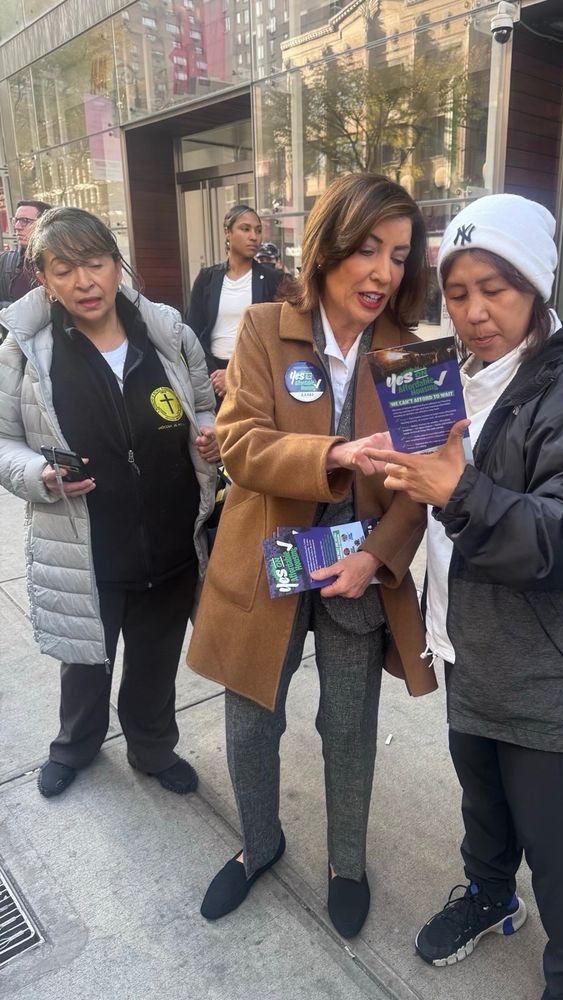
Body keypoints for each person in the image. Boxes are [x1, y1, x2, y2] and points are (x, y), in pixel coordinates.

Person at [363, 194, 563, 1000]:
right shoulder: (459, 375)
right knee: (483, 806)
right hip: (469, 646)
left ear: (537, 288)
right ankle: (490, 897)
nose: (476, 312)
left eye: (498, 289)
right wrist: (409, 471)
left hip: (550, 671)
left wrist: (460, 491)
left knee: (555, 840)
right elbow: (445, 487)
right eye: (458, 292)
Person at [187, 172, 437, 935]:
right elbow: (240, 444)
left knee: (349, 724)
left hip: (357, 566)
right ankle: (258, 844)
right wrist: (335, 453)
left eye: (397, 255)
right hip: (266, 559)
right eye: (366, 249)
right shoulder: (266, 329)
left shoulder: (411, 355)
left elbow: (423, 482)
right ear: (328, 246)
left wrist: (377, 556)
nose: (382, 272)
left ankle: (347, 861)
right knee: (251, 717)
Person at [0, 207, 219, 799]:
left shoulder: (167, 334)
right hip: (86, 543)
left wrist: (210, 432)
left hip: (172, 538)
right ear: (43, 278)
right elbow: (3, 441)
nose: (84, 281)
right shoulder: (25, 351)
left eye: (95, 263)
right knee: (86, 663)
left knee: (155, 661)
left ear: (116, 265)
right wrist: (39, 474)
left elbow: (203, 404)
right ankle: (76, 745)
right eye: (64, 269)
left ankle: (152, 748)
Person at [187, 204, 284, 400]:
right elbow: (193, 332)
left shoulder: (273, 280)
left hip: (255, 377)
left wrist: (233, 374)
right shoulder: (207, 278)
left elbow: (275, 337)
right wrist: (215, 375)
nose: (254, 237)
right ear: (227, 233)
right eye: (245, 229)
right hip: (212, 378)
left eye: (258, 230)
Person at [0, 200, 53, 312]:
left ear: (45, 223)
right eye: (16, 220)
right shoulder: (5, 261)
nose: (17, 226)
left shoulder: (62, 263)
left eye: (25, 221)